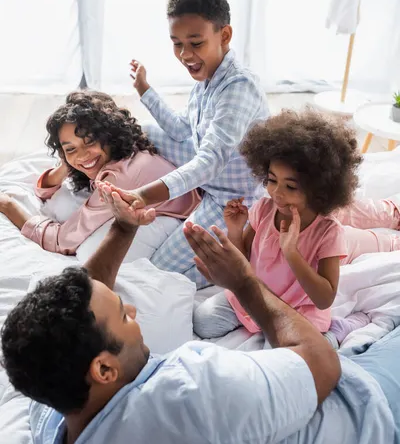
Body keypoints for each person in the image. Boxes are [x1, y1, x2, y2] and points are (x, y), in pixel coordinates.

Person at [1, 185, 398, 444]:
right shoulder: (188, 395)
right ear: (104, 370)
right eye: (124, 316)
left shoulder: (54, 403)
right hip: (364, 408)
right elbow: (321, 365)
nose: (133, 309)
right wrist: (243, 282)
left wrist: (123, 229)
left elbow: (78, 307)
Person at [106, 0, 269, 287]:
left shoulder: (238, 88)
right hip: (210, 177)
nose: (184, 54)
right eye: (177, 43)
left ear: (224, 35)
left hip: (232, 202)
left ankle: (244, 255)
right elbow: (183, 130)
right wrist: (144, 89)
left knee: (157, 272)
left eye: (196, 43)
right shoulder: (206, 80)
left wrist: (144, 195)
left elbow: (208, 162)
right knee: (143, 132)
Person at [193, 109, 400, 346]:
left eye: (291, 187)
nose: (277, 193)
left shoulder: (328, 232)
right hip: (257, 297)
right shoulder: (263, 209)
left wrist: (292, 254)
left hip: (298, 309)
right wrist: (235, 230)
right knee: (204, 321)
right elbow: (245, 260)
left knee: (288, 352)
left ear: (317, 188)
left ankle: (340, 328)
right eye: (272, 181)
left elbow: (324, 299)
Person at [0, 91, 199, 255]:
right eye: (70, 148)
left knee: (89, 252)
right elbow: (42, 191)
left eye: (90, 142)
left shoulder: (117, 179)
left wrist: (8, 205)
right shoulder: (125, 149)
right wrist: (68, 163)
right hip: (170, 203)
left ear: (108, 135)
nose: (83, 154)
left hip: (177, 222)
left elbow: (62, 240)